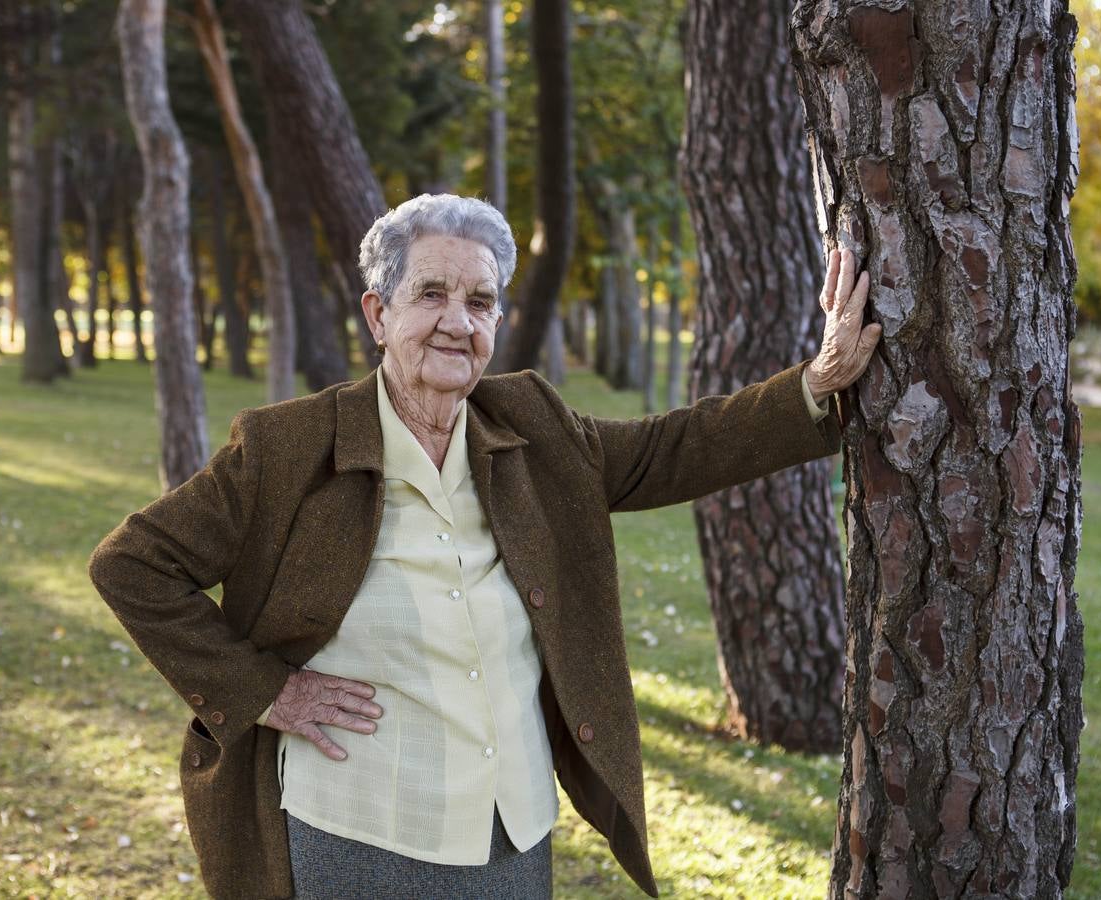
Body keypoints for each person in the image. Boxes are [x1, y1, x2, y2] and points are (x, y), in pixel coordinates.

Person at [88, 193, 880, 900]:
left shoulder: (529, 423)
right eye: (429, 294)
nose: (457, 322)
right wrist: (265, 691)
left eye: (480, 300)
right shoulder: (287, 448)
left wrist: (817, 381)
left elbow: (674, 448)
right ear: (377, 314)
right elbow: (131, 563)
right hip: (356, 827)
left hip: (510, 827)